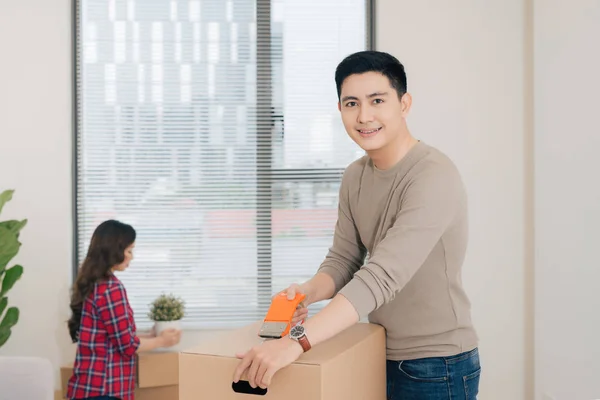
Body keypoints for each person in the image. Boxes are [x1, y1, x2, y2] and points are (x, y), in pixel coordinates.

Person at [233, 51, 481, 399]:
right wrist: (307, 291)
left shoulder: (433, 175)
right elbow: (344, 259)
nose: (364, 116)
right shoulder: (355, 176)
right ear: (340, 110)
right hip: (374, 349)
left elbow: (380, 276)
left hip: (436, 363)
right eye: (351, 103)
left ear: (404, 103)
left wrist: (295, 343)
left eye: (377, 100)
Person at [66, 220, 182, 400]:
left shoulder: (95, 284)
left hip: (89, 388)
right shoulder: (111, 289)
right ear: (114, 251)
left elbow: (112, 338)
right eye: (129, 251)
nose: (132, 257)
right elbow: (128, 346)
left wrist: (151, 336)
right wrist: (162, 341)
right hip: (105, 391)